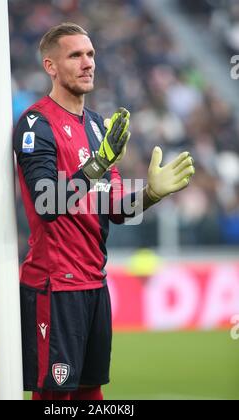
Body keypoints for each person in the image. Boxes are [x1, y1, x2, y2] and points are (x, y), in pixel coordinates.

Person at [13, 22, 195, 401]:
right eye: (75, 55)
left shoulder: (98, 126)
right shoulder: (35, 123)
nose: (87, 63)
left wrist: (150, 195)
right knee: (54, 398)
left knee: (90, 394)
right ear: (50, 65)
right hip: (55, 285)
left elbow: (114, 205)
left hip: (95, 283)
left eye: (91, 54)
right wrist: (98, 164)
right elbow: (46, 204)